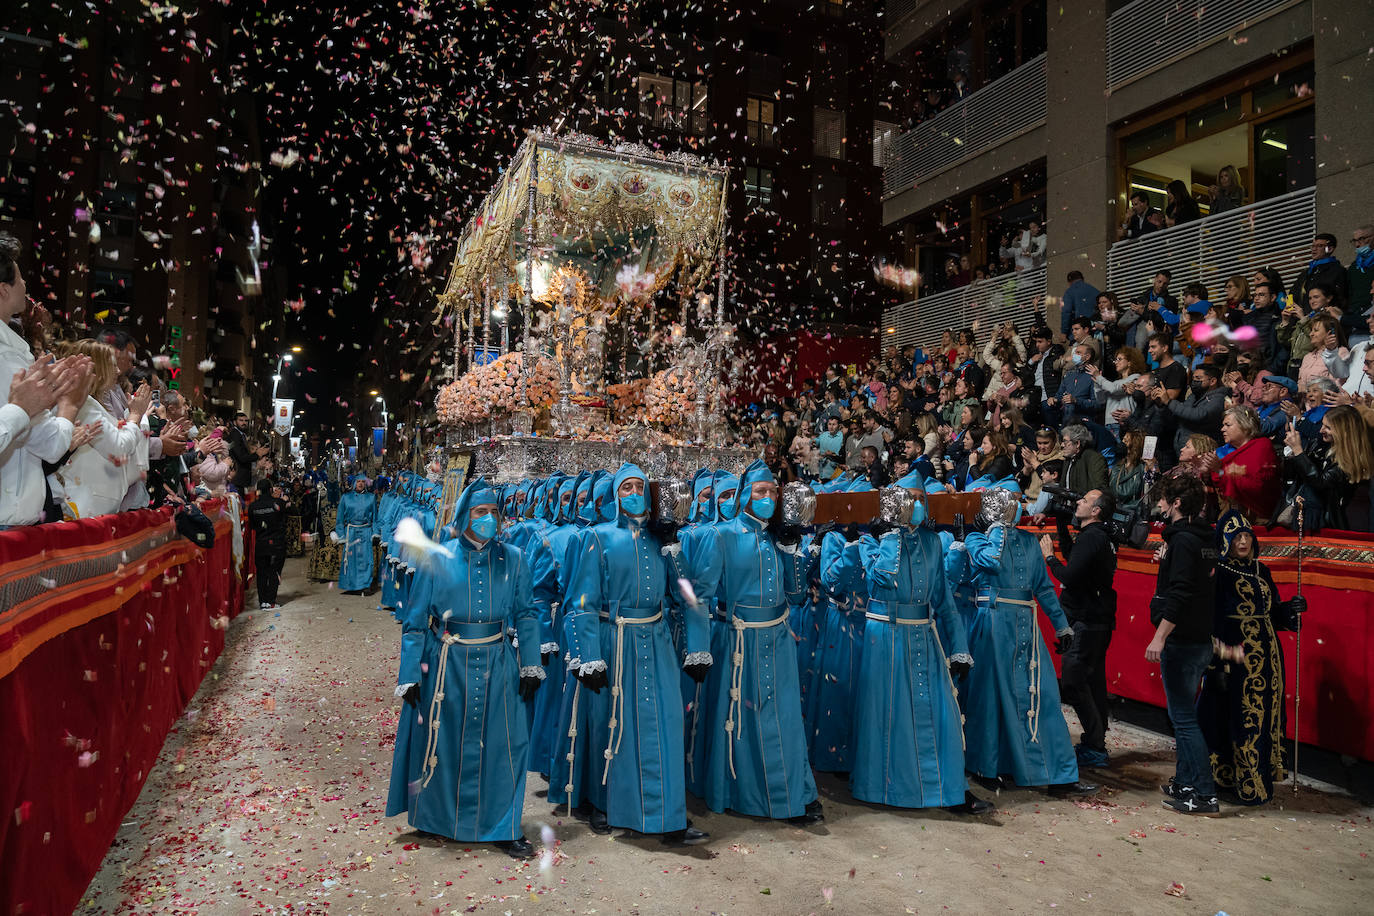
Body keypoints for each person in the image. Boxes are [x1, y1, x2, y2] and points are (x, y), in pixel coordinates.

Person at [386, 479, 542, 857]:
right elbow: (417, 621)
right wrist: (410, 674)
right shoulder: (437, 557)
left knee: (504, 746)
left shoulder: (516, 558)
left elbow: (526, 614)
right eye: (480, 512)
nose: (489, 519)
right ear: (464, 516)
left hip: (499, 663)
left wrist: (531, 665)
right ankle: (440, 819)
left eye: (493, 513)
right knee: (446, 743)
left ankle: (503, 826)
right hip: (447, 666)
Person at [565, 463, 710, 845]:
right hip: (615, 639)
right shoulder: (597, 537)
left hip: (657, 639)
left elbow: (689, 594)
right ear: (615, 495)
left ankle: (670, 813)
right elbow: (581, 601)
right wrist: (587, 654)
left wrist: (673, 545)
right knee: (612, 721)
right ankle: (603, 802)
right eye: (625, 487)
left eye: (639, 486)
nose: (633, 492)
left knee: (664, 723)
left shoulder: (664, 540)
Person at [843, 474, 991, 814]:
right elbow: (881, 582)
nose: (916, 504)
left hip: (925, 636)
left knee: (943, 715)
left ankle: (952, 789)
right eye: (909, 497)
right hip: (886, 638)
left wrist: (959, 648)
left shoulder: (933, 542)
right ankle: (886, 788)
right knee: (889, 716)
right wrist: (888, 538)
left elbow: (944, 600)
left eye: (921, 498)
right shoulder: (871, 541)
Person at [688, 459, 822, 824]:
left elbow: (795, 596)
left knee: (785, 719)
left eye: (772, 492)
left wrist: (794, 551)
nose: (767, 498)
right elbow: (700, 597)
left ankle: (797, 792)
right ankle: (747, 794)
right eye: (760, 492)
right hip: (739, 642)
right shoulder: (722, 536)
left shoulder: (777, 537)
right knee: (746, 719)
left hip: (778, 640)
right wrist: (699, 647)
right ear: (746, 495)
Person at [963, 481, 1095, 795]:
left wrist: (1062, 626)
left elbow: (1044, 588)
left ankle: (1058, 773)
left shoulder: (1028, 541)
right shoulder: (976, 539)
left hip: (1026, 626)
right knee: (992, 698)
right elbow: (991, 562)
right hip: (993, 626)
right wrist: (997, 529)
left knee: (1042, 696)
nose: (1020, 506)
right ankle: (987, 766)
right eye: (1013, 501)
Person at [1197, 511, 1305, 806]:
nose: (1243, 542)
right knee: (1238, 719)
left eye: (1247, 536)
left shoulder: (1261, 571)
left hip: (1268, 659)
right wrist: (1216, 664)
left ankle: (1259, 779)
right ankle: (1235, 781)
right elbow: (1212, 621)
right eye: (1237, 537)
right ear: (1225, 541)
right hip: (1236, 659)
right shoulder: (1218, 571)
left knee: (1264, 719)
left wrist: (1290, 613)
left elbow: (1273, 613)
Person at [1146, 474, 1219, 816]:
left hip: (1183, 640)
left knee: (1184, 720)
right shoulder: (1201, 539)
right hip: (1198, 638)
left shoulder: (1185, 542)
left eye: (1163, 499)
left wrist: (1159, 636)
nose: (1158, 504)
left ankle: (1204, 794)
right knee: (1185, 717)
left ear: (1176, 504)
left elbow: (1181, 594)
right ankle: (1186, 783)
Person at [1040, 489, 1118, 770]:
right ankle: (1096, 744)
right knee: (1093, 681)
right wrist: (1062, 523)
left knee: (1074, 681)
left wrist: (1049, 558)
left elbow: (1069, 576)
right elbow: (1075, 559)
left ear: (1096, 510)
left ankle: (1095, 743)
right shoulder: (1098, 537)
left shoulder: (1094, 537)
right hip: (1097, 620)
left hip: (1087, 620)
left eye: (1084, 501)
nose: (1078, 503)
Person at [50, 340, 149, 520]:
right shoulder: (83, 404)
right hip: (82, 506)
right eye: (112, 365)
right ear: (97, 368)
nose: (118, 371)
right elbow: (118, 448)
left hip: (94, 506)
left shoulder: (91, 403)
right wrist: (135, 415)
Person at [1282, 404, 1374, 531]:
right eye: (1322, 424)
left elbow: (1320, 482)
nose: (1321, 430)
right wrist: (1293, 456)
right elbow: (1296, 475)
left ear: (1344, 432)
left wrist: (1299, 452)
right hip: (1313, 514)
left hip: (1340, 522)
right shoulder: (1321, 445)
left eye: (1328, 427)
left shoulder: (1351, 459)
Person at [1208, 406, 1280, 523]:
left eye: (1228, 425)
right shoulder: (1228, 452)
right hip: (1232, 513)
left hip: (1257, 516)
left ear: (1245, 426)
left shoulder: (1262, 446)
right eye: (1223, 425)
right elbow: (1223, 477)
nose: (1222, 429)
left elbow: (1258, 486)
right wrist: (1212, 471)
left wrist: (1222, 469)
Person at [332, 476, 377, 593]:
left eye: (363, 482)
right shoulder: (346, 498)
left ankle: (365, 585)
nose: (360, 484)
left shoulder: (371, 498)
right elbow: (340, 518)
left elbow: (375, 519)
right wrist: (341, 535)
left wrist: (375, 533)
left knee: (366, 559)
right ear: (354, 483)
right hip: (351, 531)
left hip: (366, 531)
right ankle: (351, 586)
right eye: (358, 482)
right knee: (351, 559)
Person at [248, 479, 289, 609]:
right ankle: (271, 601)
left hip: (261, 543)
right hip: (276, 543)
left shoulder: (253, 507)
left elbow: (252, 525)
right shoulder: (278, 503)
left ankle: (263, 602)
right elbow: (287, 514)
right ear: (271, 489)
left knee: (261, 573)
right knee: (274, 571)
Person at [1290, 232, 1348, 307]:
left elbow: (1342, 298)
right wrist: (1290, 309)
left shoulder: (1337, 271)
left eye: (1319, 246)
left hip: (1326, 316)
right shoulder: (1306, 273)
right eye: (1313, 246)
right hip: (1304, 317)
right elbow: (1291, 294)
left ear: (1329, 249)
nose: (1314, 249)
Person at [1059, 424, 1109, 495]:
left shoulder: (1094, 458)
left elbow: (1099, 489)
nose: (1062, 445)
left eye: (1065, 441)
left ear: (1077, 443)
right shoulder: (1068, 459)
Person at [1061, 271, 1101, 338]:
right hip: (1095, 331)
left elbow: (1066, 312)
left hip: (1080, 332)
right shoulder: (1095, 290)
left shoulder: (1070, 291)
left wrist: (1064, 332)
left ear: (1069, 282)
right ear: (1082, 279)